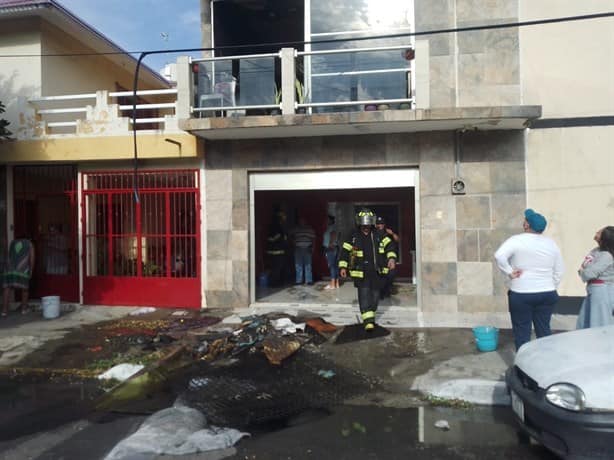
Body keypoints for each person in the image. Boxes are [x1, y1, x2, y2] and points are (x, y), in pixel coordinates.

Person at [494, 209, 564, 351]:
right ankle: (546, 365)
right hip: (547, 293)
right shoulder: (551, 244)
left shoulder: (516, 240)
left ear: (527, 225)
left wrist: (510, 272)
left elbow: (499, 255)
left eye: (525, 219)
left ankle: (523, 369)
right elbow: (559, 270)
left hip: (522, 293)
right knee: (544, 331)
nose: (524, 221)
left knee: (522, 333)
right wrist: (551, 285)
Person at [338, 209, 397, 331]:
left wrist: (391, 258)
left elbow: (390, 246)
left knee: (375, 297)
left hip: (377, 272)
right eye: (363, 224)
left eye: (368, 224)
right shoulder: (353, 236)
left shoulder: (379, 234)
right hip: (361, 272)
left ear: (371, 223)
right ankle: (368, 321)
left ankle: (370, 314)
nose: (366, 227)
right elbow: (345, 251)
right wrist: (343, 266)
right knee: (364, 295)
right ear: (359, 223)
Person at [576, 226, 614, 329]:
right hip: (593, 291)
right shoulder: (596, 251)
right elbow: (585, 265)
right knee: (586, 322)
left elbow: (590, 273)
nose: (596, 232)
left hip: (602, 293)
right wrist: (583, 271)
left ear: (604, 238)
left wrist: (582, 272)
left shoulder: (607, 256)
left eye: (600, 232)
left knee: (599, 323)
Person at [2, 238, 35, 317]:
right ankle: (24, 309)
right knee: (25, 289)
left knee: (7, 288)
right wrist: (31, 270)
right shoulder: (29, 243)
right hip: (22, 269)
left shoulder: (13, 243)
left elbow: (10, 254)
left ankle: (4, 311)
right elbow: (32, 258)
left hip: (9, 269)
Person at [375, 216, 399, 299]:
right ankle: (381, 292)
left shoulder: (388, 232)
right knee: (379, 277)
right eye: (378, 224)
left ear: (384, 224)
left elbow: (397, 240)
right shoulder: (373, 233)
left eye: (381, 224)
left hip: (388, 257)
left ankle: (387, 289)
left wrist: (392, 234)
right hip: (378, 259)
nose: (380, 225)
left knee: (390, 274)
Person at [290, 215, 316, 285]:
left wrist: (313, 248)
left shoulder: (310, 229)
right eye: (300, 221)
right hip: (298, 249)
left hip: (308, 249)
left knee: (308, 265)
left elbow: (313, 239)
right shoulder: (295, 229)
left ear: (305, 221)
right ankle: (299, 281)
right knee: (298, 265)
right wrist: (293, 242)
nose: (301, 222)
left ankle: (309, 281)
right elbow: (290, 236)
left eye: (303, 220)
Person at [265, 210, 289, 287]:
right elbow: (274, 238)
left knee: (275, 268)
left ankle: (275, 282)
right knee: (276, 268)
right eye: (283, 217)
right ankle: (274, 284)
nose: (285, 219)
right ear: (280, 218)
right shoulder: (277, 227)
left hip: (275, 251)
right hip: (276, 251)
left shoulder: (275, 226)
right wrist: (282, 237)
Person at [322, 214, 339, 290]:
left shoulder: (331, 227)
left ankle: (332, 284)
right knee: (335, 266)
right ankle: (336, 283)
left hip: (331, 248)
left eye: (327, 220)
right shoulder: (332, 227)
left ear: (331, 220)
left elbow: (333, 235)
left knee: (332, 266)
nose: (326, 221)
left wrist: (330, 244)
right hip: (333, 247)